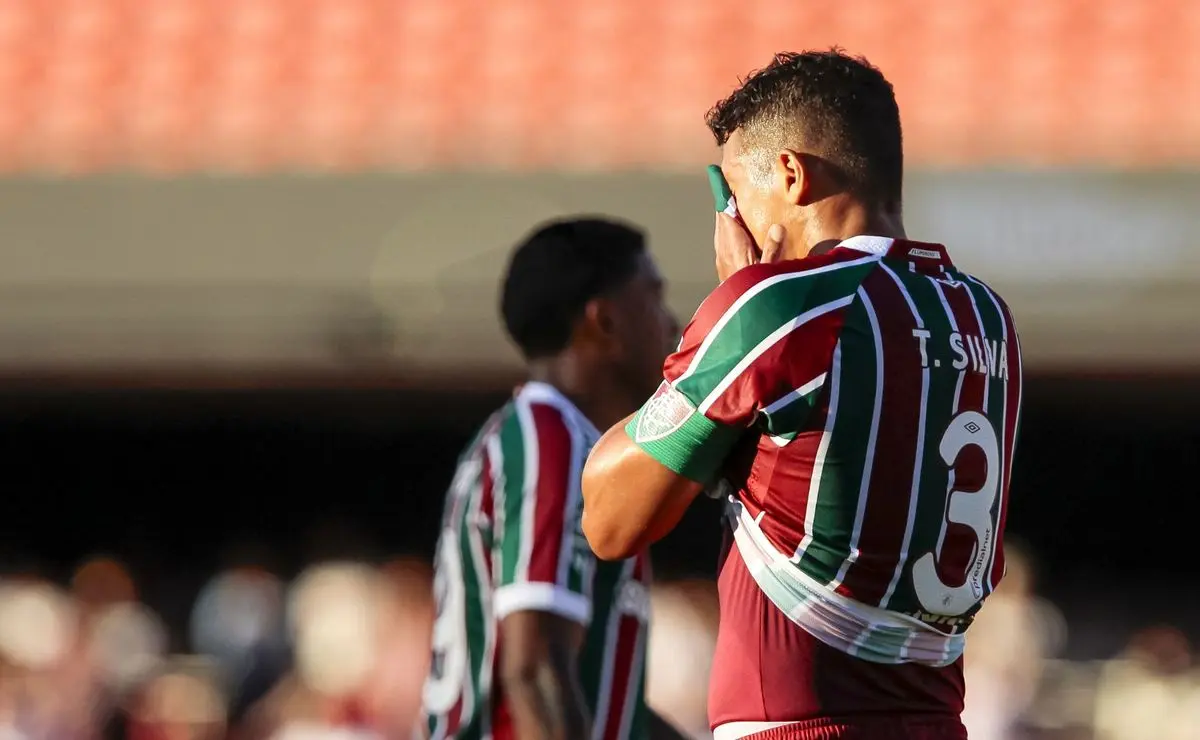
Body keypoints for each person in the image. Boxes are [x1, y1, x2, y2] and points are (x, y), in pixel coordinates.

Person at [581, 50, 1024, 740]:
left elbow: (608, 518)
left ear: (789, 174)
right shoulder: (986, 314)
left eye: (733, 198)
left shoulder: (782, 307)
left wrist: (730, 303)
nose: (734, 222)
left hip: (796, 723)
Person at [417, 217, 685, 740]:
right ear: (604, 322)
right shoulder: (550, 439)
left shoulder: (541, 438)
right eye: (653, 297)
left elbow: (610, 707)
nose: (672, 322)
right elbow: (534, 671)